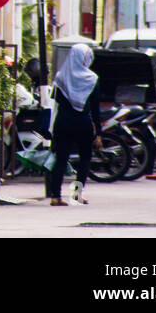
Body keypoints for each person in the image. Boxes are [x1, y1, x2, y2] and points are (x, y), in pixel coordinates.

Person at [47, 43, 101, 206]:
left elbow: (55, 99)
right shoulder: (92, 79)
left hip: (63, 122)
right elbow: (95, 108)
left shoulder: (60, 77)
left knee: (61, 158)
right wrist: (98, 132)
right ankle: (77, 193)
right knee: (84, 158)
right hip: (83, 123)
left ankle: (56, 196)